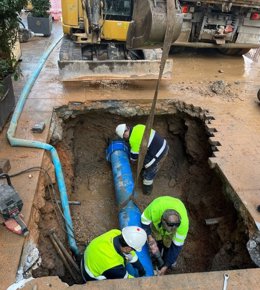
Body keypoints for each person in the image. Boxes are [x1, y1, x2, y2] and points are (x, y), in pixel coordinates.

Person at [140, 196, 189, 275]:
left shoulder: (183, 226)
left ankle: (166, 259)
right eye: (167, 228)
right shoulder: (154, 208)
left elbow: (176, 247)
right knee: (157, 239)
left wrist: (167, 265)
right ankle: (158, 250)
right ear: (162, 220)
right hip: (157, 227)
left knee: (168, 245)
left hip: (170, 228)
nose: (168, 231)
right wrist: (150, 237)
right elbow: (144, 221)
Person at [115, 123, 169, 195]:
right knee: (145, 160)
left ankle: (147, 190)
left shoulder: (133, 139)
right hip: (163, 144)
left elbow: (134, 156)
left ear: (124, 135)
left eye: (124, 138)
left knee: (149, 170)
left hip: (159, 152)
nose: (126, 139)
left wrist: (131, 161)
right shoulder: (138, 126)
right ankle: (144, 171)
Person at [81, 226, 147, 282]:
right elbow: (127, 281)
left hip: (87, 258)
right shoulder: (114, 266)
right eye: (134, 249)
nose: (133, 251)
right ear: (128, 248)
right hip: (89, 275)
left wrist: (141, 269)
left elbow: (131, 253)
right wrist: (140, 281)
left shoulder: (116, 233)